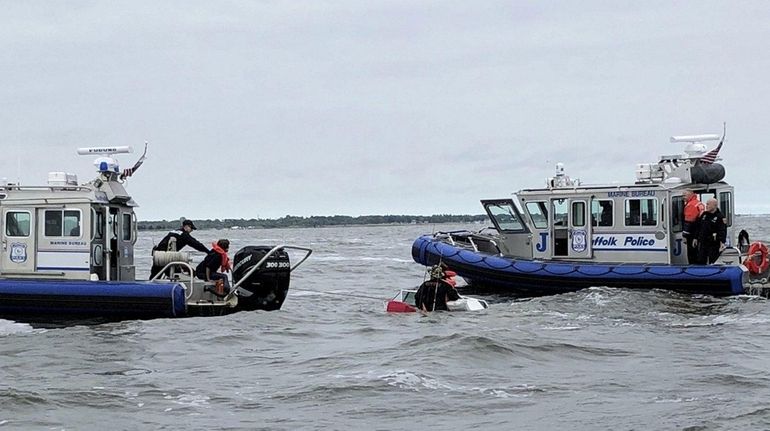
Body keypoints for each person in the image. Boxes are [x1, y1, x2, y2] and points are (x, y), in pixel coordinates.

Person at [693, 198, 727, 265]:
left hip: (713, 243)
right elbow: (698, 227)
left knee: (713, 260)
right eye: (706, 204)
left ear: (714, 205)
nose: (706, 206)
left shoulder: (720, 217)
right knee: (700, 259)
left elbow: (722, 231)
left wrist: (722, 242)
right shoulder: (704, 214)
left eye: (708, 204)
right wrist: (695, 238)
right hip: (703, 242)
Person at [682, 190, 705, 264]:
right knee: (698, 252)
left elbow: (689, 222)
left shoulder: (691, 205)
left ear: (690, 195)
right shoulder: (699, 203)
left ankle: (693, 268)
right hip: (699, 231)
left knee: (692, 253)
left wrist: (685, 236)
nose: (683, 198)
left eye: (684, 195)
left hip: (692, 233)